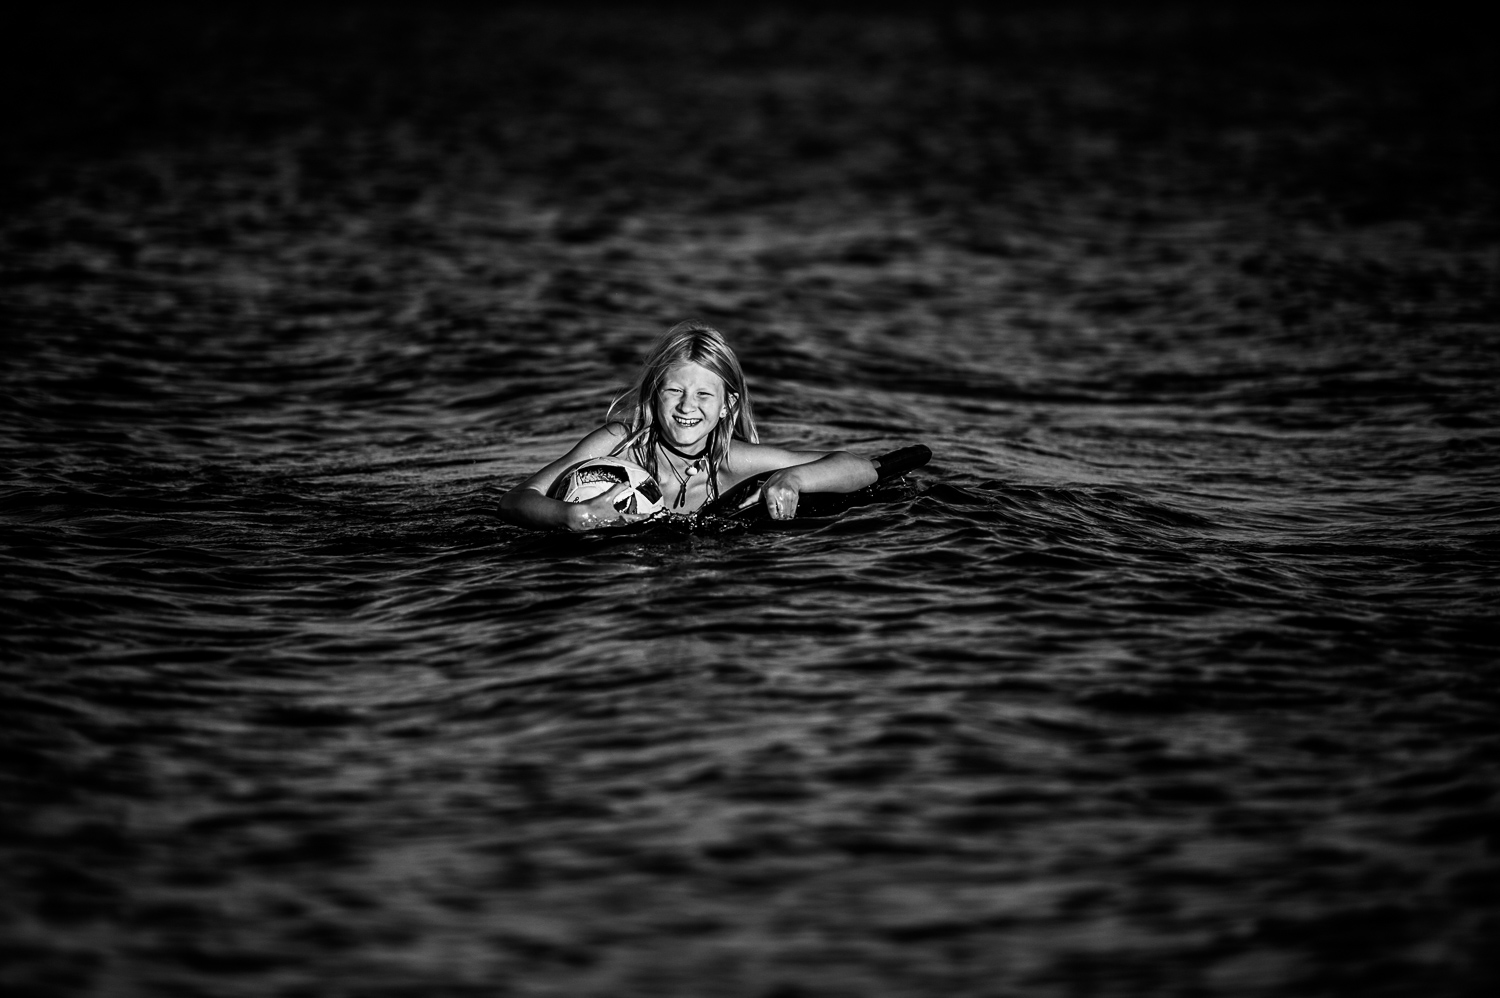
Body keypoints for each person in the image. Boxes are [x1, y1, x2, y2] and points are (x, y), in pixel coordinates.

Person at [500, 321, 877, 531]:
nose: (686, 407)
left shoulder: (732, 461)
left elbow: (863, 467)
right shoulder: (618, 444)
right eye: (675, 391)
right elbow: (515, 500)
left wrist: (793, 480)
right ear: (653, 395)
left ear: (728, 405)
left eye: (703, 395)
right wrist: (570, 516)